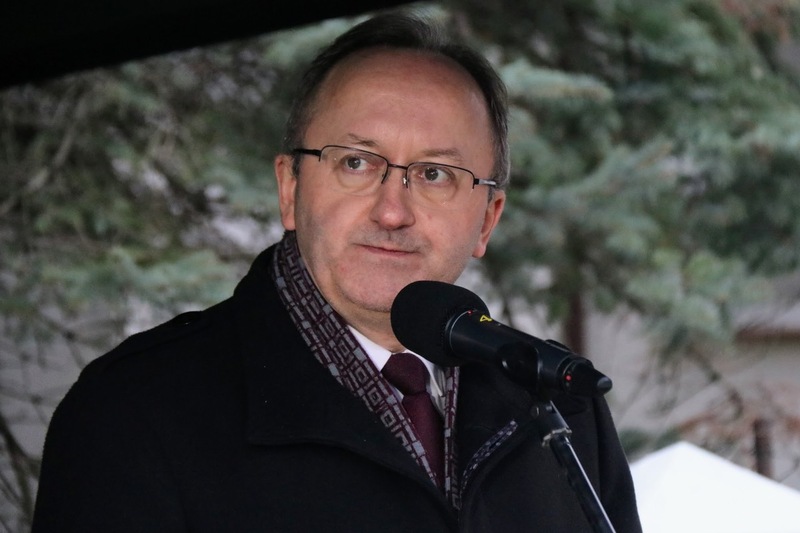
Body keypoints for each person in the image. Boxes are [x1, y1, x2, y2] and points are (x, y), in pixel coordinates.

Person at [32, 12, 642, 533]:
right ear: (290, 189)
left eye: (434, 174)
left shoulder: (558, 404)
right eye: (355, 162)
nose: (393, 210)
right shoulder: (133, 414)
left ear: (487, 218)